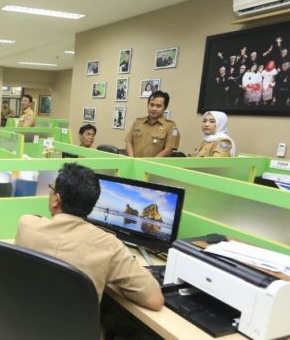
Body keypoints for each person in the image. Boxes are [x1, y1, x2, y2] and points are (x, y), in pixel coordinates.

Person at [15, 162, 163, 307]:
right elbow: (155, 300)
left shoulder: (26, 225)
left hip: (21, 325)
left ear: (56, 199)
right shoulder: (110, 246)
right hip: (74, 331)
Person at [125, 91, 179, 157]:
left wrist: (150, 163)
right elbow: (128, 141)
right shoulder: (138, 122)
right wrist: (132, 159)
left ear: (165, 108)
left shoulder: (171, 126)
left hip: (155, 165)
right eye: (152, 105)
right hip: (134, 163)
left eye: (158, 106)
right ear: (147, 105)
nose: (154, 108)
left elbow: (169, 149)